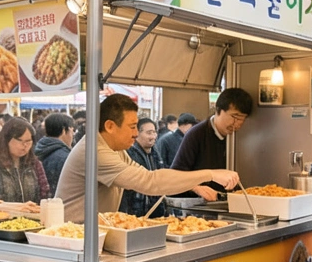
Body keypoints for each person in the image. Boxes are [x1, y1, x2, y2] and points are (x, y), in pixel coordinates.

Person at [57, 94, 239, 222]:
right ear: (110, 126)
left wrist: (193, 185)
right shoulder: (96, 152)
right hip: (72, 235)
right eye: (132, 127)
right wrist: (210, 174)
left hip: (92, 233)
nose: (136, 134)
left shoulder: (114, 148)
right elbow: (150, 182)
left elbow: (148, 174)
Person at [171, 88, 253, 200]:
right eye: (234, 117)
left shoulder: (239, 138)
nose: (237, 124)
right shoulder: (196, 134)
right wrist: (196, 187)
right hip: (199, 207)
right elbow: (175, 176)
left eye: (242, 119)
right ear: (218, 110)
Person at [119, 117, 166, 217]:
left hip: (154, 212)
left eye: (154, 132)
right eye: (149, 133)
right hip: (134, 213)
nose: (153, 136)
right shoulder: (128, 153)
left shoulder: (155, 152)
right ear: (137, 133)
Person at [34, 112, 75, 194]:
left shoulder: (39, 149)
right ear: (64, 130)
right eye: (72, 130)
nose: (73, 134)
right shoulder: (65, 157)